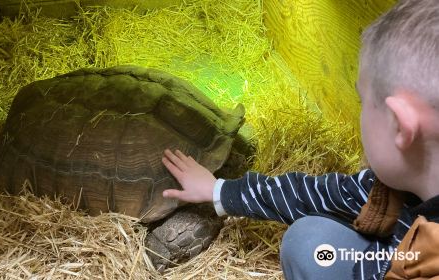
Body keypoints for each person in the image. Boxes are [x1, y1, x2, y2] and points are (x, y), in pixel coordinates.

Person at [160, 0, 439, 279]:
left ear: (400, 127)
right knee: (309, 241)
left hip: (392, 265)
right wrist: (218, 191)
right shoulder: (388, 189)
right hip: (389, 255)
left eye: (363, 102)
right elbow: (313, 194)